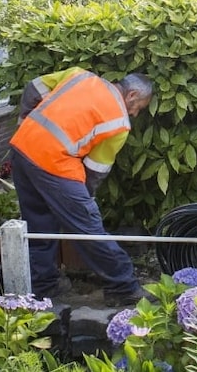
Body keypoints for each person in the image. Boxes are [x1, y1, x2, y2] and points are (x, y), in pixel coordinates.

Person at [10, 67, 154, 306]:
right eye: (139, 107)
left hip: (22, 149)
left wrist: (24, 121)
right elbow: (95, 170)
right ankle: (124, 286)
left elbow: (33, 88)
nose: (136, 114)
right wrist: (83, 205)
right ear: (132, 95)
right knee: (88, 229)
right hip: (54, 163)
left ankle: (44, 286)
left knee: (38, 224)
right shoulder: (119, 121)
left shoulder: (79, 75)